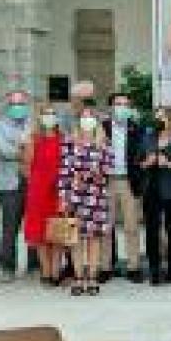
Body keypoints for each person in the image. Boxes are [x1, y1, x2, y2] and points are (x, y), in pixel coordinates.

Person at [58, 104, 113, 296]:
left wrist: (94, 174)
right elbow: (64, 172)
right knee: (76, 239)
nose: (87, 120)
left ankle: (91, 277)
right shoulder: (69, 142)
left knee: (94, 239)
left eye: (90, 117)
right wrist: (63, 197)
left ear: (96, 122)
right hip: (75, 197)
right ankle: (79, 277)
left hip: (96, 197)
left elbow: (107, 170)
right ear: (79, 121)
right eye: (83, 116)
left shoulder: (104, 143)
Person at [138, 106, 171, 285]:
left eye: (162, 117)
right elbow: (139, 163)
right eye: (156, 117)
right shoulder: (147, 138)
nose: (158, 120)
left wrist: (169, 163)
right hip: (151, 189)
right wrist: (147, 162)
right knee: (152, 231)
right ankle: (154, 270)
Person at [103, 93, 145, 283]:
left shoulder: (137, 129)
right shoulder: (101, 128)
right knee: (105, 226)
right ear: (111, 107)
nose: (122, 108)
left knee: (131, 226)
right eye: (118, 104)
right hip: (106, 181)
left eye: (125, 105)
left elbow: (142, 155)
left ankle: (133, 266)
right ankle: (105, 267)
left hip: (129, 181)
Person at [0, 90, 31, 282]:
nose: (18, 107)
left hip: (32, 181)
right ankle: (7, 267)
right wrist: (26, 150)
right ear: (7, 106)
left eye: (21, 103)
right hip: (9, 183)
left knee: (33, 225)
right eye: (14, 103)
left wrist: (22, 147)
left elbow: (39, 148)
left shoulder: (33, 124)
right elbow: (5, 151)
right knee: (9, 227)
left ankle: (34, 265)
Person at [23, 104, 64, 285]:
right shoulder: (33, 139)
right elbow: (26, 167)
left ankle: (56, 271)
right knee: (40, 233)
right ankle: (45, 272)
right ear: (39, 118)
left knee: (57, 232)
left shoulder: (64, 139)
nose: (49, 117)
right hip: (38, 191)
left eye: (52, 114)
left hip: (58, 190)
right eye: (46, 114)